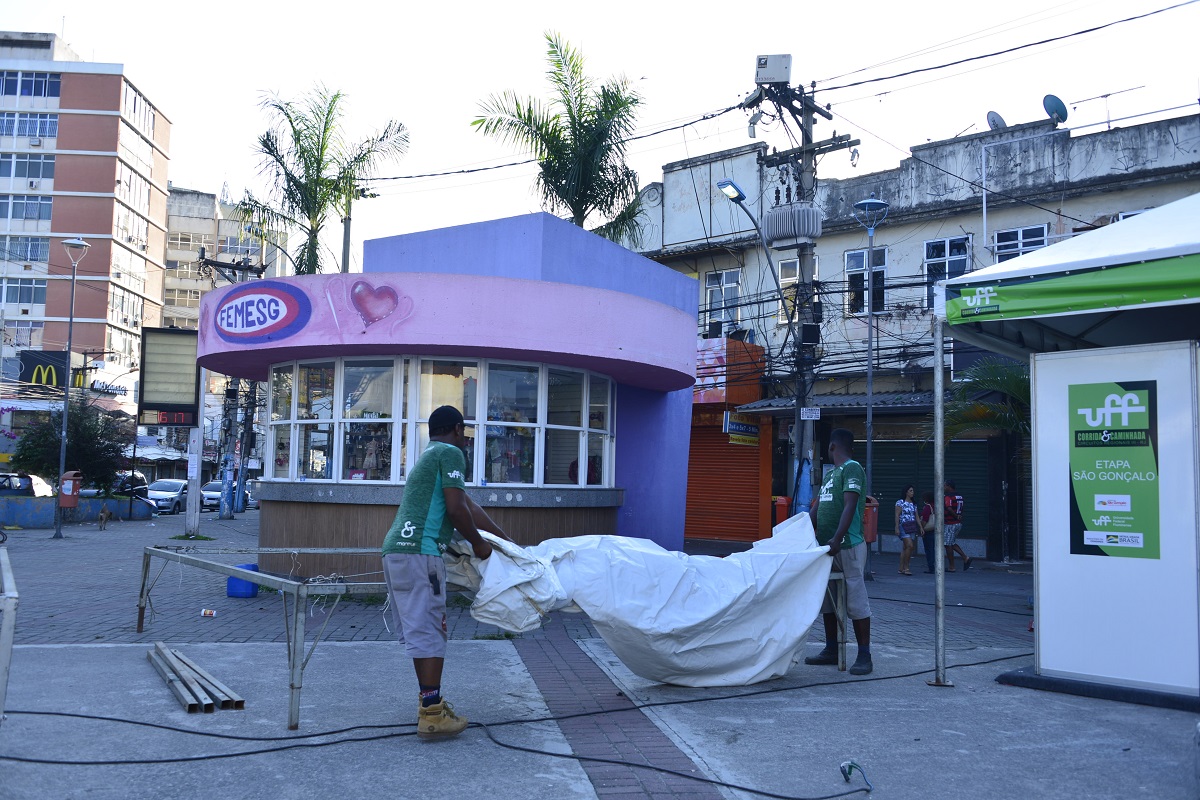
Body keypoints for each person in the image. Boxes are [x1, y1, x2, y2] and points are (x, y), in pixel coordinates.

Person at [381, 405, 513, 739]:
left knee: (420, 633)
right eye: (464, 432)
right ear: (457, 428)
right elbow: (456, 510)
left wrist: (504, 540)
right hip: (421, 555)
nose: (465, 439)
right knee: (432, 633)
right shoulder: (450, 453)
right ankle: (432, 716)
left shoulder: (429, 455)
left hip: (396, 551)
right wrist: (479, 545)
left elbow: (466, 505)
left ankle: (430, 704)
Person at [804, 428, 873, 675]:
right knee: (829, 601)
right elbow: (817, 509)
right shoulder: (830, 475)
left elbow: (850, 505)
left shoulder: (852, 468)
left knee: (856, 601)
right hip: (827, 548)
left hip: (847, 546)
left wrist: (837, 537)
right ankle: (831, 649)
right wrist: (799, 531)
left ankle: (864, 655)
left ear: (832, 446)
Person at [943, 479, 972, 572]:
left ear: (949, 486)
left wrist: (956, 516)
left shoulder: (948, 497)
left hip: (950, 523)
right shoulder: (959, 496)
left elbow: (949, 508)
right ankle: (965, 557)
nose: (943, 487)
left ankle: (952, 566)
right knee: (951, 542)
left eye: (944, 485)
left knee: (947, 545)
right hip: (957, 523)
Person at [894, 484, 918, 575]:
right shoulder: (900, 502)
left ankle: (901, 568)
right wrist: (897, 527)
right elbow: (897, 515)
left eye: (913, 491)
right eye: (910, 491)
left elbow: (916, 516)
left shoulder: (913, 503)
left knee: (905, 547)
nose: (912, 492)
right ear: (906, 492)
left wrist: (920, 526)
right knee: (910, 545)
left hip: (912, 526)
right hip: (903, 525)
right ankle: (906, 567)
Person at [919, 491, 938, 573]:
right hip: (935, 530)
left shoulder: (928, 507)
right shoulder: (936, 506)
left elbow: (925, 519)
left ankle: (931, 567)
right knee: (933, 549)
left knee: (929, 549)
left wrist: (921, 528)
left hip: (928, 531)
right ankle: (936, 566)